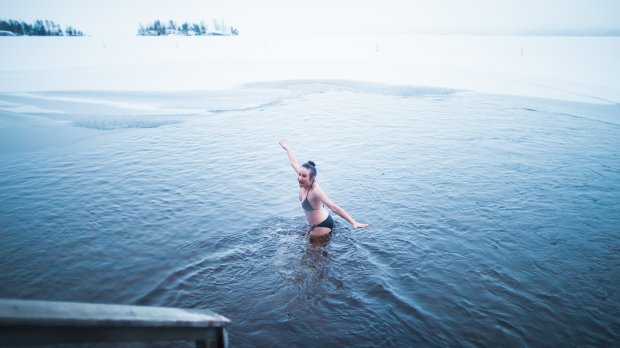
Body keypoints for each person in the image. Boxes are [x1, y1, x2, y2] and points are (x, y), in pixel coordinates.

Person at [279, 139, 368, 240]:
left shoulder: (315, 190)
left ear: (312, 178)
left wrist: (354, 222)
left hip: (322, 224)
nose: (300, 178)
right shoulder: (304, 181)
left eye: (304, 176)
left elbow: (333, 207)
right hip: (316, 224)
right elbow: (293, 162)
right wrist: (287, 148)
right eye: (299, 174)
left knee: (311, 254)